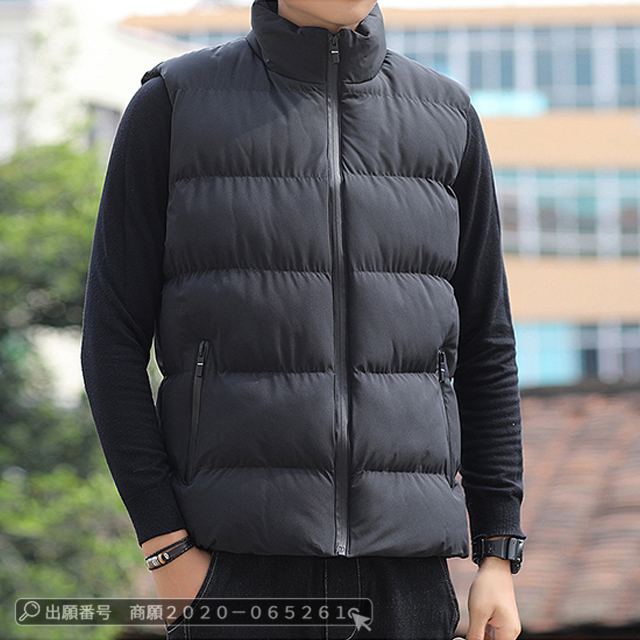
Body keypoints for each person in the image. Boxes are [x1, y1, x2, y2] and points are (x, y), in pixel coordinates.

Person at [80, 1, 527, 639]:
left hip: (406, 579)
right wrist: (166, 547)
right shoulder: (175, 103)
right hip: (235, 570)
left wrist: (498, 552)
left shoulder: (446, 115)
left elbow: (487, 344)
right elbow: (110, 340)